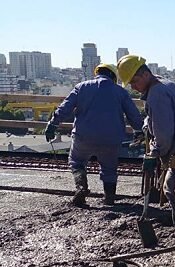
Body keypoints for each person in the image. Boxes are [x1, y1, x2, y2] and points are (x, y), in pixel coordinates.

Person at [45, 63, 143, 206]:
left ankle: (81, 187)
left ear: (97, 73)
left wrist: (52, 124)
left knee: (77, 161)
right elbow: (133, 114)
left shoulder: (81, 87)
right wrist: (139, 131)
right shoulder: (120, 91)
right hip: (111, 138)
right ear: (113, 76)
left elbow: (65, 107)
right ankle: (109, 199)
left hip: (83, 136)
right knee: (109, 169)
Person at [117, 55, 175, 239]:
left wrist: (154, 153)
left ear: (146, 74)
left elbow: (164, 133)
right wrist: (146, 126)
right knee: (171, 189)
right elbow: (156, 119)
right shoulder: (166, 85)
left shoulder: (157, 94)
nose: (133, 87)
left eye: (135, 81)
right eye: (130, 83)